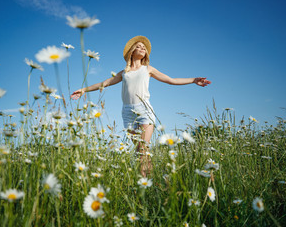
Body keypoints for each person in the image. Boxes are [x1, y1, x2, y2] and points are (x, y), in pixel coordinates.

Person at [71, 36, 211, 176]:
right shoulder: (124, 72)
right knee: (140, 151)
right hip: (127, 112)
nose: (143, 48)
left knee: (143, 148)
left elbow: (171, 80)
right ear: (132, 51)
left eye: (144, 48)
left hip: (144, 110)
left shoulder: (148, 69)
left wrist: (193, 80)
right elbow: (104, 83)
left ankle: (145, 183)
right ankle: (149, 182)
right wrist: (84, 90)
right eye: (139, 46)